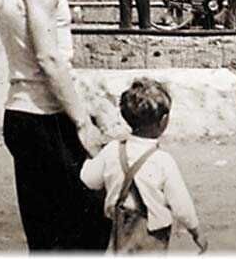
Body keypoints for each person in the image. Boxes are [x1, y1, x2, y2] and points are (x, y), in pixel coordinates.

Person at [0, 0, 109, 252]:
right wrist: (82, 123)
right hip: (46, 118)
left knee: (45, 236)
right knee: (88, 227)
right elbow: (49, 59)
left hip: (20, 114)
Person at [80, 78, 207, 254]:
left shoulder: (112, 150)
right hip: (152, 236)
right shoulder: (163, 161)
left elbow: (89, 180)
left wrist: (90, 156)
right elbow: (181, 204)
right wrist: (196, 231)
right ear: (163, 121)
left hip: (120, 231)